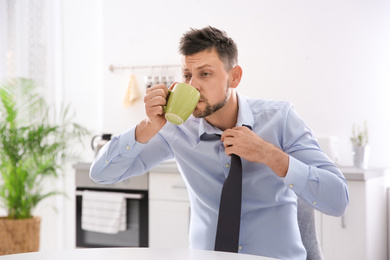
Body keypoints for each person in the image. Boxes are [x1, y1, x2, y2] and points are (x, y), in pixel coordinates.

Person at [90, 26, 349, 260]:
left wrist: (270, 154)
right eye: (187, 75)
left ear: (234, 77)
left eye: (205, 74)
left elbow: (338, 200)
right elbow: (101, 174)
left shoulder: (280, 120)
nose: (193, 85)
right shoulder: (177, 129)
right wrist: (148, 126)